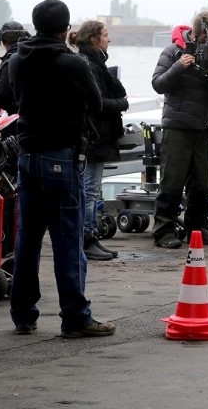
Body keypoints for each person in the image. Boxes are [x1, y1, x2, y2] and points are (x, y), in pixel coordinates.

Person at [8, 0, 115, 337]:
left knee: (28, 240)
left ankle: (23, 314)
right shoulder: (72, 63)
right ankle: (75, 317)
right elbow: (98, 104)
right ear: (65, 28)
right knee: (68, 239)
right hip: (61, 157)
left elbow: (11, 100)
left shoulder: (16, 61)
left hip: (26, 156)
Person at [151, 10, 208, 249]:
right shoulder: (173, 52)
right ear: (202, 32)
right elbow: (158, 83)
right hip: (177, 127)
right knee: (172, 181)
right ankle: (163, 231)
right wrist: (179, 66)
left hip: (201, 127)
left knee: (201, 183)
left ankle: (197, 227)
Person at [71, 21, 128, 260]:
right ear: (94, 39)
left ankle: (90, 235)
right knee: (89, 190)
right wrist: (122, 104)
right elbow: (98, 103)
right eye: (105, 35)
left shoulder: (94, 63)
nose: (109, 39)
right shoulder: (89, 65)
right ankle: (86, 238)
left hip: (97, 136)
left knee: (91, 189)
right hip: (94, 137)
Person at [0, 21, 31, 258]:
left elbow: (1, 96)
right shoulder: (31, 56)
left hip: (12, 132)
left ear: (5, 41)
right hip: (29, 131)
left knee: (7, 190)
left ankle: (6, 244)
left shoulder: (11, 61)